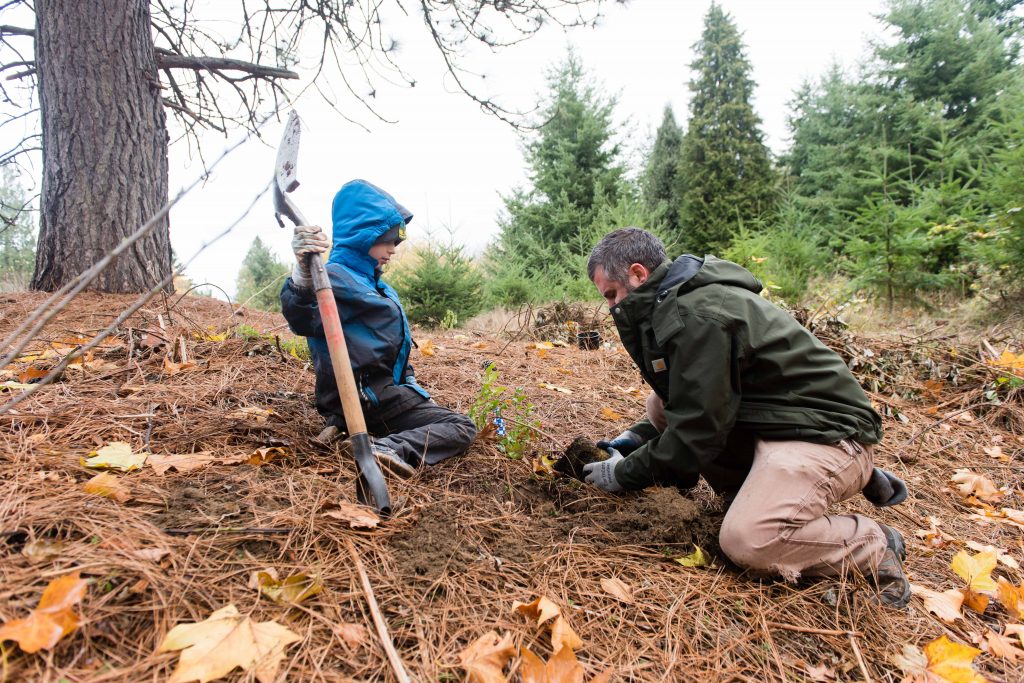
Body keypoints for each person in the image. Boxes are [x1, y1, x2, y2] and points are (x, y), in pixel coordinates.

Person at [581, 227, 911, 607]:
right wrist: (636, 438)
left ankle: (871, 542)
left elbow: (699, 430)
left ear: (638, 274)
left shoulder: (697, 314)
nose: (610, 307)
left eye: (611, 294)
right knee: (657, 406)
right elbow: (689, 400)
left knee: (746, 541)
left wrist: (622, 473)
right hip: (778, 419)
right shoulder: (675, 302)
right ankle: (761, 492)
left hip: (823, 433)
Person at [280, 179, 476, 477]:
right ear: (363, 235)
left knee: (434, 413)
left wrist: (417, 394)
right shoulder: (332, 279)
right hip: (368, 400)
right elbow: (302, 318)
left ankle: (339, 426)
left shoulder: (377, 285)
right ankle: (387, 448)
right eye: (387, 240)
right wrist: (302, 273)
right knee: (462, 427)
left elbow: (394, 355)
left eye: (396, 242)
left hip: (378, 395)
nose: (393, 250)